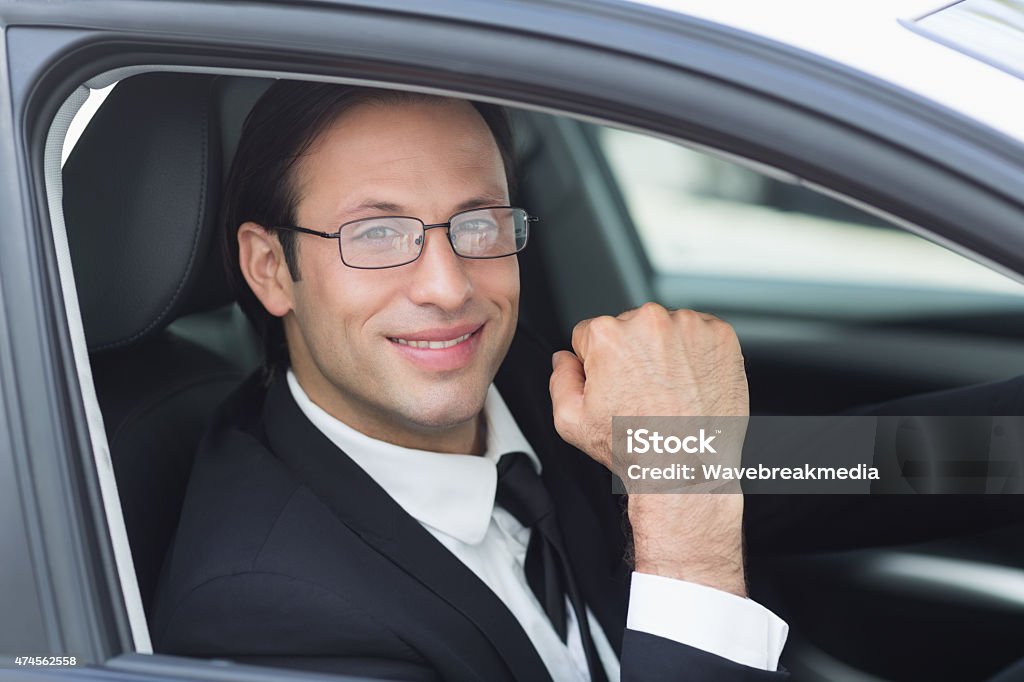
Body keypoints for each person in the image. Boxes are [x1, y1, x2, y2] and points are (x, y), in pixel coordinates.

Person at [151, 79, 1024, 681]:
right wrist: (683, 521)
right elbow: (695, 496)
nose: (449, 286)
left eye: (478, 222)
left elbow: (832, 472)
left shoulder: (529, 381)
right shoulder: (266, 613)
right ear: (270, 268)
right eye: (376, 236)